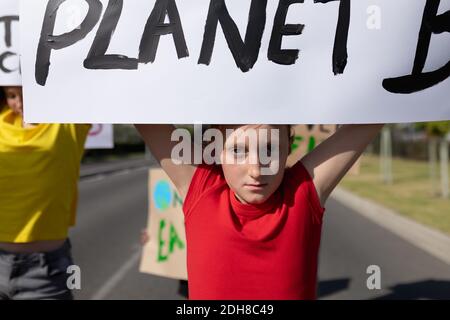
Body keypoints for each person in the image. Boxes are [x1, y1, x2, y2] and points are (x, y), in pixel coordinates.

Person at [135, 123, 384, 299]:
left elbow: (371, 118)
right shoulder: (202, 189)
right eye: (238, 151)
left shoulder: (304, 191)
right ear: (215, 151)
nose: (256, 170)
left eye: (270, 150)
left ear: (289, 146)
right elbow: (134, 105)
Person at [0, 86, 91, 300]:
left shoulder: (69, 123)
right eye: (12, 96)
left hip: (46, 273)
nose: (19, 103)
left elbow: (92, 86)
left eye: (27, 94)